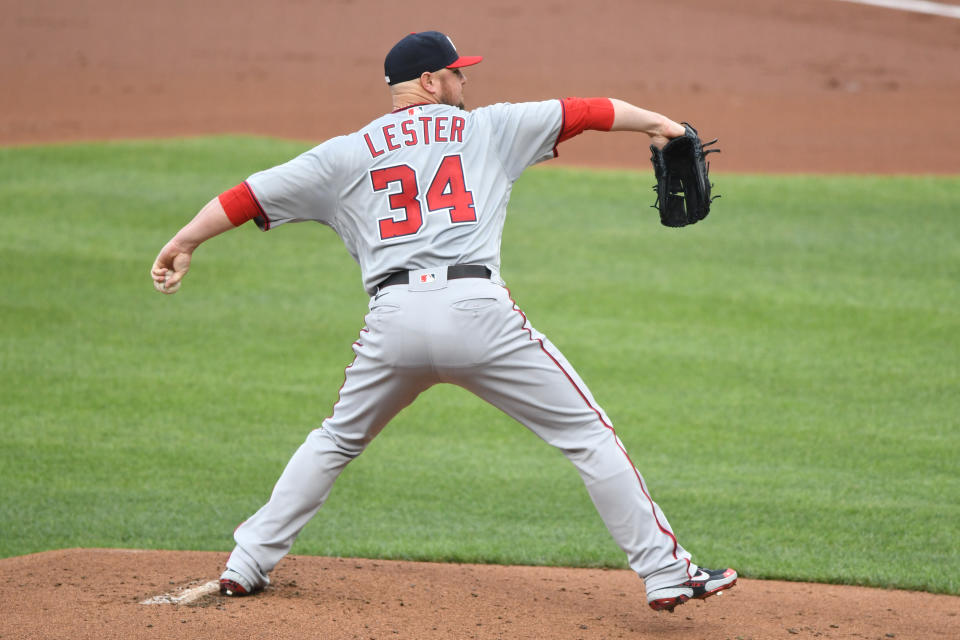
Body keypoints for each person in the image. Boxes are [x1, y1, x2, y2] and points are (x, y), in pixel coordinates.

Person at [150, 30, 737, 613]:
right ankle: (665, 573)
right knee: (587, 436)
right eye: (458, 72)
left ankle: (246, 563)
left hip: (393, 321)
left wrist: (183, 242)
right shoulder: (489, 127)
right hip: (477, 313)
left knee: (336, 439)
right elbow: (591, 111)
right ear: (430, 81)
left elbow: (246, 196)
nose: (466, 80)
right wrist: (665, 125)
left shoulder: (347, 152)